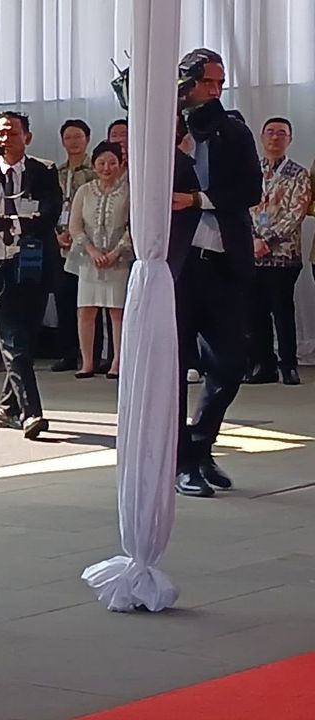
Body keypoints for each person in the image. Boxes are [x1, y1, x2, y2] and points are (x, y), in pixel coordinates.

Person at [168, 48, 263, 498]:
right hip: (179, 267)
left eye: (221, 83)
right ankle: (182, 462)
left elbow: (250, 189)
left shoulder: (233, 130)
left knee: (229, 364)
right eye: (208, 83)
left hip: (225, 263)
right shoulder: (163, 130)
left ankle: (201, 443)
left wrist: (198, 199)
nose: (215, 91)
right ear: (186, 84)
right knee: (174, 368)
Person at [0, 111, 63, 440]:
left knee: (26, 340)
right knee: (12, 340)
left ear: (27, 138)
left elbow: (49, 214)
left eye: (13, 133)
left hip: (32, 263)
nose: (5, 139)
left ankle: (8, 409)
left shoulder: (44, 170)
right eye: (0, 133)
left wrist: (9, 223)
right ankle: (31, 411)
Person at [245, 117, 310, 386]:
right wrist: (253, 240)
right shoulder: (250, 170)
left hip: (284, 253)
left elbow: (297, 212)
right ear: (261, 137)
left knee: (282, 310)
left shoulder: (298, 174)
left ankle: (289, 365)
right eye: (270, 132)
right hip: (252, 252)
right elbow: (242, 207)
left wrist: (267, 240)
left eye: (281, 133)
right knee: (256, 311)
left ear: (289, 139)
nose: (275, 138)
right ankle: (264, 364)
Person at [66, 142, 131, 380]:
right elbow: (74, 226)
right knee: (85, 311)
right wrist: (92, 251)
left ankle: (117, 362)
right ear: (93, 165)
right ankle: (87, 362)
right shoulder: (84, 191)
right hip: (88, 259)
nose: (107, 167)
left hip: (119, 259)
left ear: (120, 164)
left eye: (112, 162)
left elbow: (132, 226)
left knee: (117, 312)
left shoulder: (128, 191)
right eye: (102, 163)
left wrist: (115, 252)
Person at [52, 119, 99, 373]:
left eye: (78, 137)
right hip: (62, 241)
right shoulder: (56, 172)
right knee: (64, 298)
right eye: (68, 137)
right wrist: (58, 234)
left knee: (92, 301)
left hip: (90, 242)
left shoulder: (95, 170)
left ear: (87, 139)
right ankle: (68, 353)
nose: (73, 142)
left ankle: (92, 355)